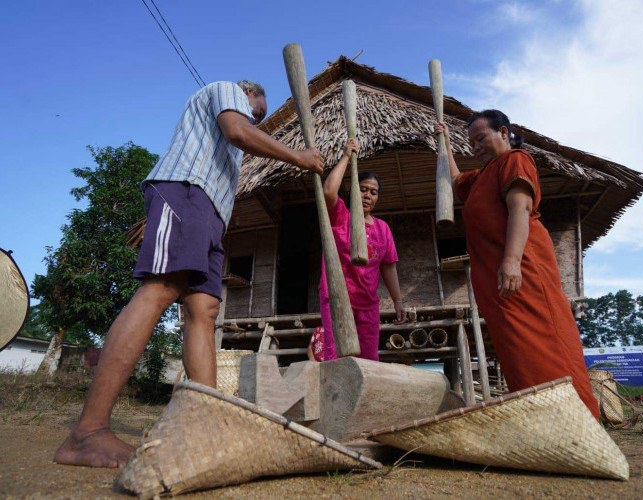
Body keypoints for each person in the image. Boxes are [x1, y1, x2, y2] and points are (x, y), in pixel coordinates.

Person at [54, 80, 324, 468]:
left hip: (208, 212)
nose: (256, 119)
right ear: (248, 92)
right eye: (257, 111)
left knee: (205, 312)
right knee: (161, 289)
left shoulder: (230, 151)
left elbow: (235, 140)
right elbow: (237, 130)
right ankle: (88, 432)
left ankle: (203, 423)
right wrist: (299, 157)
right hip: (187, 192)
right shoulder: (227, 90)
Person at [435, 110, 600, 418]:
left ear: (504, 133)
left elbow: (520, 208)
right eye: (472, 143)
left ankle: (577, 417)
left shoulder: (515, 160)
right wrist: (444, 141)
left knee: (545, 340)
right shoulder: (481, 176)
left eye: (482, 138)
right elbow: (456, 180)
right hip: (498, 283)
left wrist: (511, 262)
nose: (477, 146)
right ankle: (539, 419)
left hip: (524, 267)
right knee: (517, 350)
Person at [319, 138, 406, 361]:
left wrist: (397, 301)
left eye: (373, 192)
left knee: (369, 360)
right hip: (338, 298)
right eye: (363, 189)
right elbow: (328, 191)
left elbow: (388, 267)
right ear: (353, 191)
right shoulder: (341, 216)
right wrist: (347, 156)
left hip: (368, 305)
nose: (367, 195)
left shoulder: (383, 228)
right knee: (336, 356)